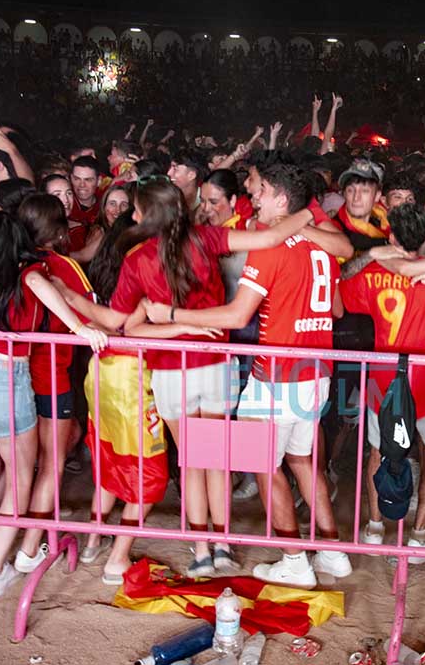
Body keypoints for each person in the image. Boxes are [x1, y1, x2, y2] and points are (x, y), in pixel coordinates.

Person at [59, 175, 317, 578]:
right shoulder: (205, 238)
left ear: (146, 215)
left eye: (137, 211)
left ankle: (201, 551)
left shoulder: (138, 259)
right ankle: (223, 545)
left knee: (192, 462)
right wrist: (307, 213)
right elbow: (269, 238)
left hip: (171, 371)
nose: (134, 216)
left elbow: (115, 321)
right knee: (216, 461)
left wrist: (69, 295)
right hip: (215, 364)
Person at [145, 164, 353, 589]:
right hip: (316, 371)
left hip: (276, 375)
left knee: (264, 468)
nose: (253, 198)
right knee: (302, 461)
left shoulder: (270, 248)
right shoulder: (324, 245)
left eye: (262, 192)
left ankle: (294, 560)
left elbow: (239, 315)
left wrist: (173, 314)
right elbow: (335, 309)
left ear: (282, 200)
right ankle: (333, 552)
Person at [0, 210, 107, 597]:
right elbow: (60, 306)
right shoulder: (29, 275)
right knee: (19, 478)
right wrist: (84, 330)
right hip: (4, 379)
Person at [341, 203, 425, 557]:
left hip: (382, 379)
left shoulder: (372, 273)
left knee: (377, 450)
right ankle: (419, 534)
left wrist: (374, 257)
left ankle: (374, 527)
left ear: (392, 237)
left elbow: (344, 294)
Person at [13, 193, 94, 571]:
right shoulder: (60, 266)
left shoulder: (3, 261)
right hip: (49, 376)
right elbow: (90, 313)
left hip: (7, 376)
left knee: (10, 462)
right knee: (52, 462)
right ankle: (30, 549)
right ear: (59, 230)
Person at [72, 183, 129, 264]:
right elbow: (82, 256)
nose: (118, 210)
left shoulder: (133, 232)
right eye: (112, 203)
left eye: (124, 204)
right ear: (104, 207)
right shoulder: (100, 232)